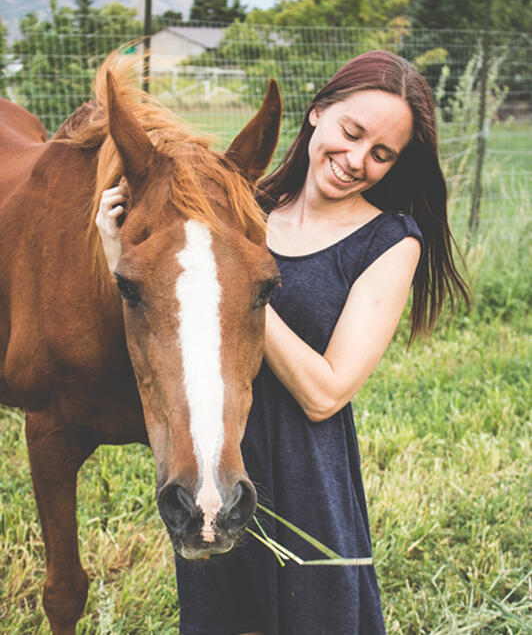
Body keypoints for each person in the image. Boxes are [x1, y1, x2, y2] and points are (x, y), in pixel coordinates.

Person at [97, 51, 468, 635]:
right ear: (317, 113)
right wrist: (120, 252)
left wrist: (239, 290)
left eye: (382, 154)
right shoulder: (239, 207)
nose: (356, 160)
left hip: (306, 476)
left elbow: (327, 393)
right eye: (351, 132)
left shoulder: (390, 241)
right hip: (219, 460)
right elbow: (165, 329)